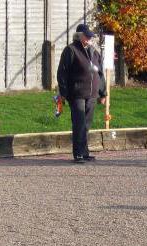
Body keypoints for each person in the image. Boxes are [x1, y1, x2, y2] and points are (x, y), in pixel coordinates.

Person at [57, 24, 107, 163]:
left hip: (92, 94)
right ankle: (78, 153)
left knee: (86, 124)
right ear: (79, 36)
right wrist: (63, 93)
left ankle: (85, 152)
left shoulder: (94, 52)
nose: (89, 38)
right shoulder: (70, 50)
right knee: (79, 124)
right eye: (87, 36)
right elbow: (62, 73)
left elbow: (100, 74)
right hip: (76, 93)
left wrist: (103, 93)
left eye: (90, 36)